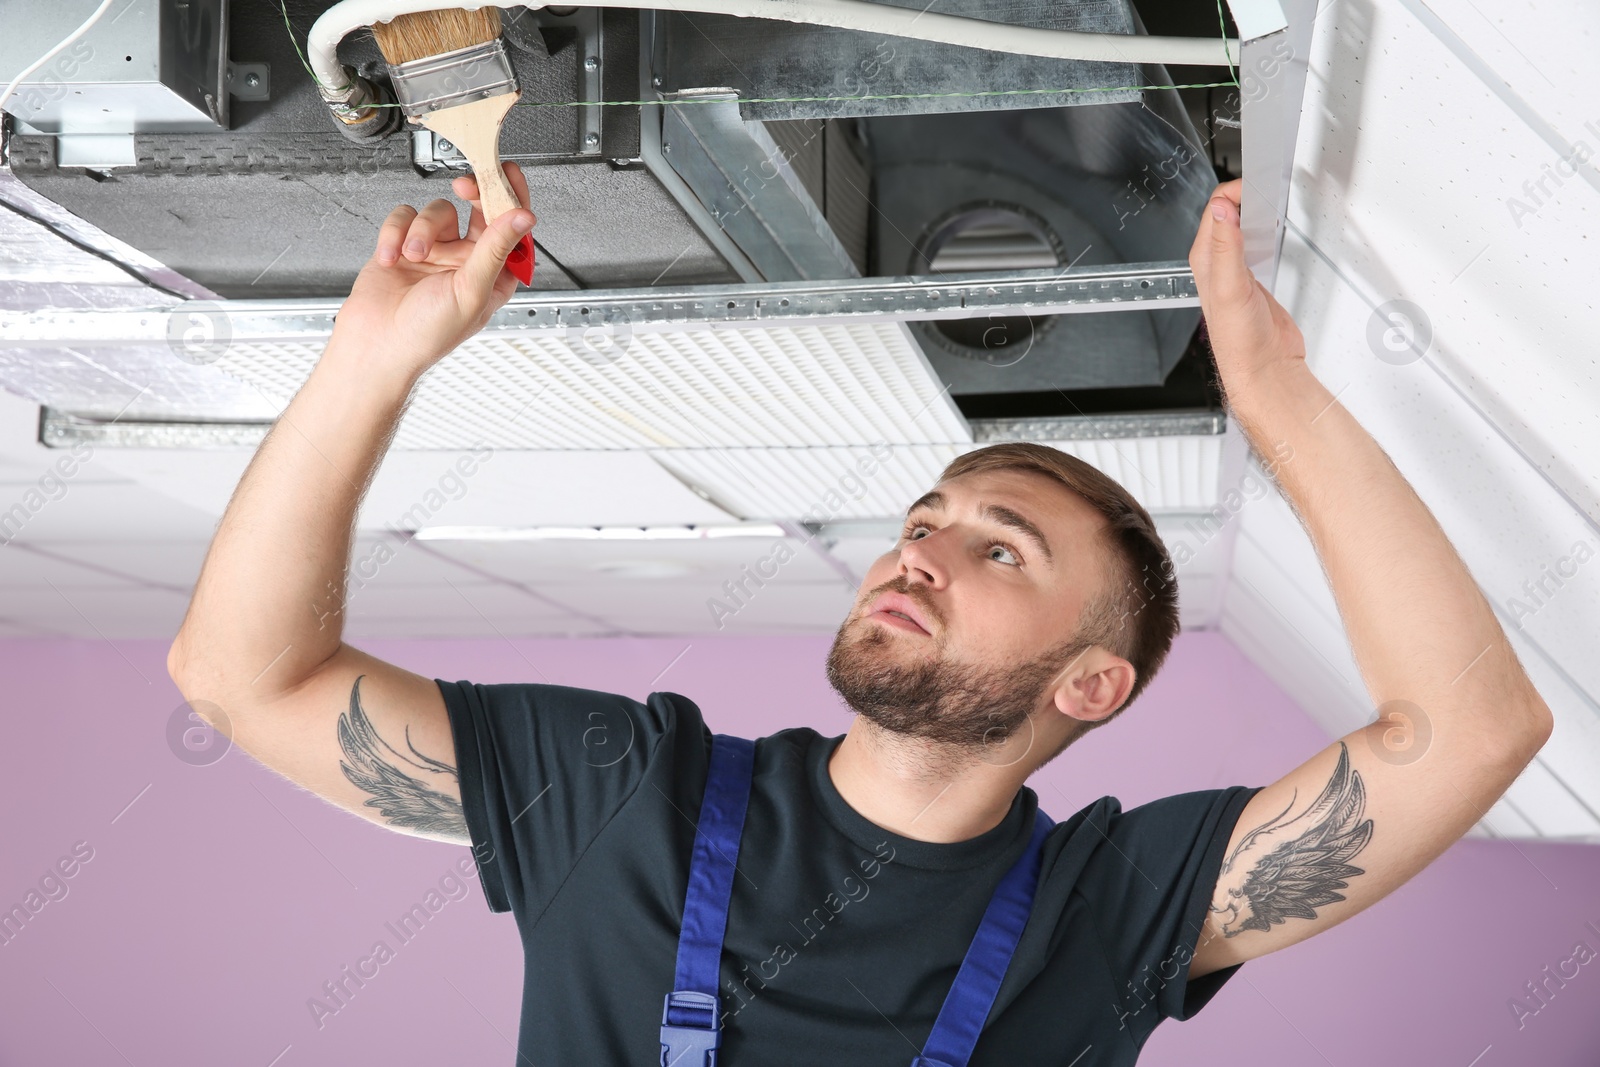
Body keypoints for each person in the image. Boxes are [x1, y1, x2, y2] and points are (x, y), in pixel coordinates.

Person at [167, 164, 1553, 1065]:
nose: (923, 553)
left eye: (999, 552)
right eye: (922, 523)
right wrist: (372, 362)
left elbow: (1473, 729)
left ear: (1091, 682)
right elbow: (244, 680)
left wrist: (1279, 406)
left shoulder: (1117, 909)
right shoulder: (625, 792)